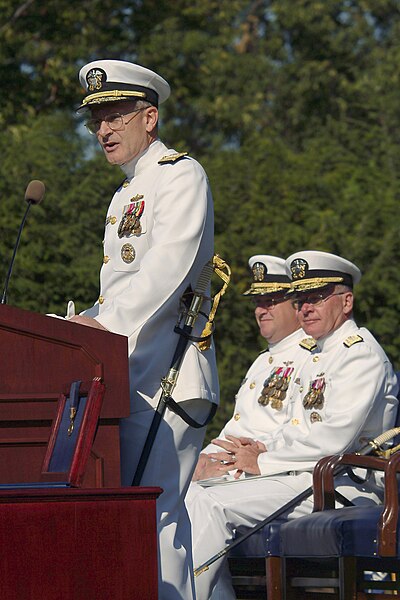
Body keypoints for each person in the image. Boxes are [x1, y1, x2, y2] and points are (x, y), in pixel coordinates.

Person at [69, 59, 219, 600]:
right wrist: (73, 326)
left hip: (169, 377)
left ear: (149, 117)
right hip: (130, 376)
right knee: (128, 524)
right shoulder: (126, 193)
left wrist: (97, 332)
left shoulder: (181, 174)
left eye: (114, 116)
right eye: (95, 121)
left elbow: (165, 273)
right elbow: (117, 293)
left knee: (157, 521)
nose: (102, 130)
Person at [186, 250, 398, 600]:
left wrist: (261, 461)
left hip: (343, 484)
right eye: (300, 300)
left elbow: (334, 439)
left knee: (209, 504)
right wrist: (255, 453)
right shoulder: (318, 355)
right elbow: (291, 427)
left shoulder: (360, 354)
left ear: (347, 302)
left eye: (316, 297)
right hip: (303, 475)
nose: (305, 308)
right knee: (192, 494)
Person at [192, 254, 310, 484]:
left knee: (193, 503)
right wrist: (202, 458)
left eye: (271, 301)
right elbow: (236, 429)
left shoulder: (311, 358)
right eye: (258, 302)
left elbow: (293, 432)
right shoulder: (262, 361)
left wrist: (226, 464)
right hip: (237, 464)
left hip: (268, 469)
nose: (261, 310)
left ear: (296, 305)